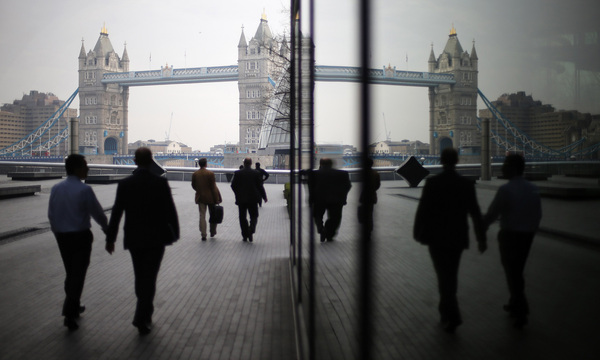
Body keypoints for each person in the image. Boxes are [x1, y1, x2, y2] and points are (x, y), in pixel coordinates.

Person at [105, 147, 179, 335]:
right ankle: (143, 315)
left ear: (135, 161)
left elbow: (116, 213)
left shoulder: (125, 184)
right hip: (156, 238)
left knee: (140, 276)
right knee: (150, 277)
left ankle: (143, 311)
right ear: (151, 160)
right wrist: (175, 232)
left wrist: (110, 238)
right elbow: (170, 210)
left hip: (134, 238)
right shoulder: (160, 183)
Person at [413, 147, 486, 333]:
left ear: (441, 160)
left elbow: (422, 210)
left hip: (436, 237)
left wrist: (417, 231)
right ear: (457, 161)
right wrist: (481, 238)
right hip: (457, 237)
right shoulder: (466, 184)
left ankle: (450, 313)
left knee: (443, 275)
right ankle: (447, 310)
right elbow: (476, 213)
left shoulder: (432, 183)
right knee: (451, 275)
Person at [48, 154, 108, 331]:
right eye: (85, 166)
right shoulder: (84, 190)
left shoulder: (56, 189)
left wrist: (56, 232)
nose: (87, 169)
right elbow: (97, 213)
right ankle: (69, 312)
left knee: (70, 273)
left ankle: (74, 304)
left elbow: (51, 215)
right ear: (76, 168)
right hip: (80, 237)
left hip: (62, 237)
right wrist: (107, 230)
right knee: (78, 275)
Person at [484, 153, 542, 328]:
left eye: (505, 164)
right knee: (518, 271)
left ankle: (521, 310)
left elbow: (493, 214)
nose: (502, 168)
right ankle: (513, 302)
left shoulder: (505, 190)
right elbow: (537, 214)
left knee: (512, 273)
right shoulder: (533, 189)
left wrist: (481, 228)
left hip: (510, 236)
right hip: (527, 236)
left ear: (513, 168)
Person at [309, 158, 352, 242]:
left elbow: (311, 189)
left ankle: (321, 229)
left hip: (319, 200)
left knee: (317, 216)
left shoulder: (314, 174)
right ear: (331, 164)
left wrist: (311, 200)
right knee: (335, 218)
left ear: (321, 164)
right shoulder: (342, 174)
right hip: (336, 200)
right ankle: (329, 234)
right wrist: (343, 197)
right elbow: (348, 186)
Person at [231, 157, 268, 242]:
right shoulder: (256, 173)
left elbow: (233, 186)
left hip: (241, 199)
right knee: (254, 216)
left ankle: (245, 234)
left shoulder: (238, 173)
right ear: (251, 163)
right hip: (253, 199)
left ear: (244, 163)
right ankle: (251, 230)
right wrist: (264, 197)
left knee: (242, 217)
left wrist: (238, 193)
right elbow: (260, 186)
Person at [191, 158, 222, 240]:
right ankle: (212, 231)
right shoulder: (210, 173)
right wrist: (217, 198)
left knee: (202, 215)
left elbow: (193, 185)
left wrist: (199, 191)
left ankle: (203, 234)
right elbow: (213, 187)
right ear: (206, 164)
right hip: (211, 198)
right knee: (213, 215)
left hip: (200, 197)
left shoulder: (195, 174)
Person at [358, 157, 381, 237]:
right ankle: (369, 230)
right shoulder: (375, 173)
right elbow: (378, 185)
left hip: (364, 197)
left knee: (363, 214)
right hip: (372, 197)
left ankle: (365, 229)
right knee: (370, 215)